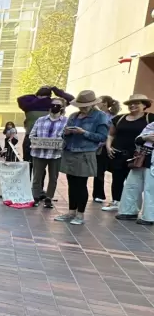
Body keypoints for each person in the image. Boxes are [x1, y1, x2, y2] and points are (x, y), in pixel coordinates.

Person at [56, 90, 111, 225]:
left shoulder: (100, 116)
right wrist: (67, 132)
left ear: (92, 104)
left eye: (85, 105)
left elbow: (102, 137)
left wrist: (84, 132)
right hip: (70, 151)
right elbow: (63, 134)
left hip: (85, 153)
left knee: (81, 184)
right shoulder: (74, 116)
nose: (82, 108)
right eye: (80, 105)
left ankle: (80, 215)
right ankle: (71, 212)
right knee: (71, 183)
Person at [103, 94, 150, 214]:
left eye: (137, 103)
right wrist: (108, 147)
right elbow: (111, 134)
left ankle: (132, 206)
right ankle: (116, 202)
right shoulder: (120, 118)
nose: (132, 106)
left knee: (136, 182)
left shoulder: (150, 118)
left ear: (144, 105)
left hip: (139, 156)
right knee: (117, 178)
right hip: (118, 154)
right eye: (130, 104)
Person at [18, 86, 74, 176]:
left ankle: (26, 187)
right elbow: (71, 99)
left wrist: (36, 97)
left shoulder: (29, 105)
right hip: (49, 140)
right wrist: (54, 89)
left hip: (31, 137)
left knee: (28, 164)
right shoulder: (53, 104)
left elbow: (20, 98)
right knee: (41, 167)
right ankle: (39, 188)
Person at [115, 94, 154, 224]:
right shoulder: (152, 124)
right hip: (141, 158)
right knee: (132, 185)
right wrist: (145, 138)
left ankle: (149, 216)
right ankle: (128, 210)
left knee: (151, 188)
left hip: (152, 161)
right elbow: (138, 138)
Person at [29, 97, 68, 208]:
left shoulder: (66, 121)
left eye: (58, 105)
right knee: (37, 177)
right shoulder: (40, 120)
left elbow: (67, 138)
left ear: (62, 108)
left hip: (56, 154)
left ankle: (48, 198)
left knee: (53, 178)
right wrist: (37, 141)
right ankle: (35, 197)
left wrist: (60, 143)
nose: (55, 107)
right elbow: (32, 135)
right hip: (38, 153)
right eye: (53, 104)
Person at [94, 95, 122, 205]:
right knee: (99, 171)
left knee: (102, 171)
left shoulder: (110, 117)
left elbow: (110, 133)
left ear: (105, 103)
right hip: (102, 147)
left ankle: (103, 196)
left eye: (99, 101)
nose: (96, 103)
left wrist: (104, 143)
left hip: (106, 147)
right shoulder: (98, 115)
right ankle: (99, 195)